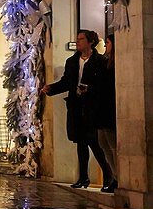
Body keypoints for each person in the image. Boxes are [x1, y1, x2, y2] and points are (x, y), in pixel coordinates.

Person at [45, 29, 112, 189]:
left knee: (94, 143)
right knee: (81, 143)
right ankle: (83, 177)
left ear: (90, 42)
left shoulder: (100, 61)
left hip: (91, 107)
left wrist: (89, 89)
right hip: (76, 107)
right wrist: (51, 88)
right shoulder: (72, 61)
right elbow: (67, 82)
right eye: (77, 39)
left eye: (81, 39)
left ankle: (109, 176)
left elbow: (103, 85)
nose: (78, 41)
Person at [95, 33, 118, 193]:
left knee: (112, 145)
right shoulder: (106, 63)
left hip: (110, 109)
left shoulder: (115, 64)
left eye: (108, 42)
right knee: (103, 143)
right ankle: (115, 175)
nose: (105, 46)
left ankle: (117, 177)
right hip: (102, 109)